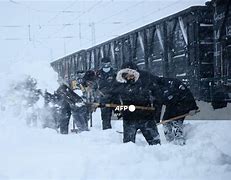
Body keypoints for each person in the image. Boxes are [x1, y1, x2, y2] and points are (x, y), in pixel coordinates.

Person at [109, 62, 161, 145]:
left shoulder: (146, 80)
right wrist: (118, 110)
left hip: (147, 116)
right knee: (129, 145)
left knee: (155, 144)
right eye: (126, 74)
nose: (129, 77)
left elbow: (157, 95)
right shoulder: (118, 84)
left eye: (131, 74)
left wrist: (156, 111)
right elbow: (112, 99)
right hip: (129, 118)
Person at [156, 77, 199, 145]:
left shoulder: (169, 85)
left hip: (183, 103)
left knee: (176, 120)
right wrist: (156, 121)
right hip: (172, 104)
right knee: (165, 121)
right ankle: (170, 142)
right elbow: (158, 106)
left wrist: (193, 107)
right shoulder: (159, 89)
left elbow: (187, 93)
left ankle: (179, 140)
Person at [95, 57, 116, 130]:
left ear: (110, 63)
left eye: (107, 63)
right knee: (105, 113)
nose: (106, 65)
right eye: (104, 63)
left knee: (117, 112)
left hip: (113, 95)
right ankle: (106, 128)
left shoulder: (114, 72)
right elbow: (95, 84)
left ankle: (118, 128)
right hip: (103, 95)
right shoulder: (98, 73)